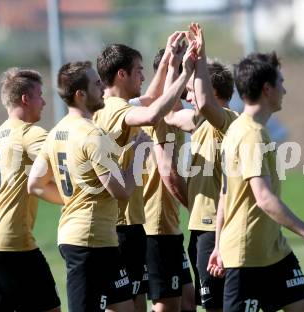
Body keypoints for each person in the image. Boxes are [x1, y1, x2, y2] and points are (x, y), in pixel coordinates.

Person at [208, 52, 304, 312]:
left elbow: (226, 193)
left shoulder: (241, 127)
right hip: (248, 258)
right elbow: (264, 198)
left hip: (275, 251)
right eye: (281, 82)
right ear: (267, 89)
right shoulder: (250, 135)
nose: (285, 89)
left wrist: (217, 243)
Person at [28, 61, 149, 312]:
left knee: (126, 308)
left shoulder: (57, 131)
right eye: (96, 84)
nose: (103, 87)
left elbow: (36, 184)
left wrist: (72, 199)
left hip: (99, 241)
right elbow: (122, 191)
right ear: (80, 94)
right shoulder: (92, 134)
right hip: (88, 243)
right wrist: (139, 153)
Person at [94, 33, 195, 311]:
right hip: (127, 224)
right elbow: (154, 112)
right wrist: (184, 73)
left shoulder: (115, 106)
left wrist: (169, 63)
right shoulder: (117, 109)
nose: (142, 77)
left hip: (132, 223)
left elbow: (151, 97)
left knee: (142, 304)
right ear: (122, 74)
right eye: (138, 71)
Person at [0, 68, 61, 312]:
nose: (43, 102)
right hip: (13, 244)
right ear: (25, 99)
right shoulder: (30, 133)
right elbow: (67, 164)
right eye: (40, 95)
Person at [164, 23, 238, 312]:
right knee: (212, 304)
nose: (189, 96)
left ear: (212, 90)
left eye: (193, 90)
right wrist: (174, 66)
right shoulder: (197, 122)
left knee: (221, 305)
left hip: (217, 229)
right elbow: (169, 112)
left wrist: (200, 60)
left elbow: (204, 103)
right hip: (200, 228)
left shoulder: (227, 120)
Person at [140, 44, 196, 312]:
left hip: (166, 223)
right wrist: (196, 210)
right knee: (166, 305)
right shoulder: (163, 114)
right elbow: (169, 173)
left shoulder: (166, 109)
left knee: (187, 299)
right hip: (157, 223)